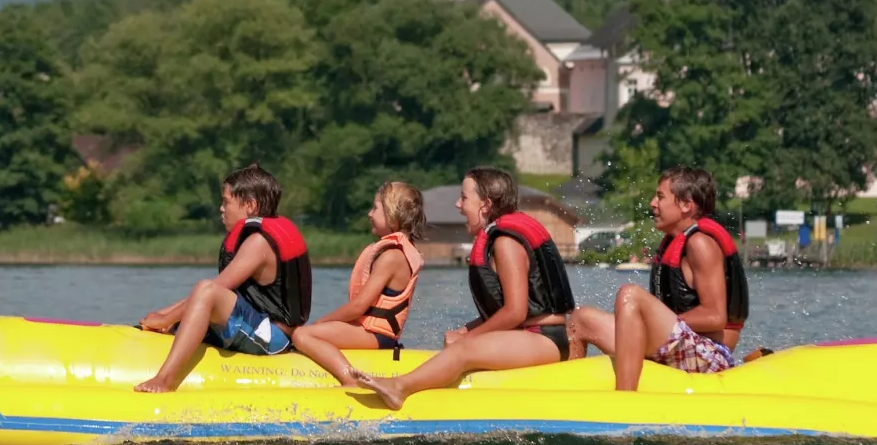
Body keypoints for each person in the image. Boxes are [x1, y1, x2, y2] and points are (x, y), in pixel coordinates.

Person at [355, 167, 575, 410]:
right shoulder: (501, 239)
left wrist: (468, 338)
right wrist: (465, 330)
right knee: (461, 341)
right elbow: (506, 312)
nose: (458, 205)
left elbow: (515, 312)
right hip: (531, 335)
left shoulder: (506, 243)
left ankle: (399, 389)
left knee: (463, 349)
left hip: (543, 339)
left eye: (464, 197)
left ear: (485, 205)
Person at [567, 165, 749, 391]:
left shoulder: (701, 244)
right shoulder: (676, 242)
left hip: (709, 355)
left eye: (661, 197)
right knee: (581, 319)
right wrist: (646, 324)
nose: (653, 203)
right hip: (679, 343)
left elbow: (715, 317)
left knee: (630, 295)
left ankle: (624, 399)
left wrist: (650, 322)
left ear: (686, 205)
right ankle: (567, 393)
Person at [134, 164, 312, 393]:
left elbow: (212, 291)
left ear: (250, 206)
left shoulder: (258, 243)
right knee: (192, 302)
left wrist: (167, 318)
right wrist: (163, 315)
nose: (221, 208)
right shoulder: (255, 238)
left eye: (226, 202)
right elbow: (205, 298)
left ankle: (165, 380)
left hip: (271, 337)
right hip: (254, 322)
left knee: (206, 290)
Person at [291, 182, 426, 386]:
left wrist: (321, 322)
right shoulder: (393, 252)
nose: (369, 214)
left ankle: (349, 379)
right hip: (369, 331)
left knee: (302, 334)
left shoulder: (392, 256)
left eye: (375, 208)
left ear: (392, 214)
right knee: (308, 332)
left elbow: (358, 307)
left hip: (377, 336)